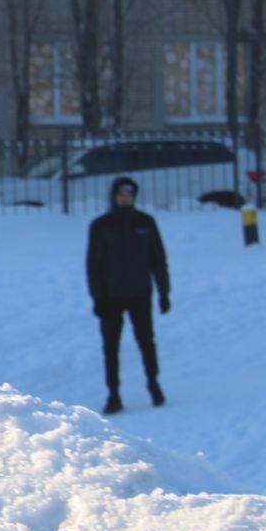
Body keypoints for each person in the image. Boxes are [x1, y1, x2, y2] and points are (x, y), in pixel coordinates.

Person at [86, 176, 171, 414]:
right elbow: (93, 264)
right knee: (110, 346)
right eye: (122, 195)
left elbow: (158, 260)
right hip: (110, 297)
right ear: (114, 196)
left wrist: (164, 292)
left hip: (140, 293)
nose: (126, 198)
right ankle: (113, 394)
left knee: (146, 341)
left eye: (130, 195)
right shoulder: (101, 225)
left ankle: (153, 384)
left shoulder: (146, 222)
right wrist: (97, 296)